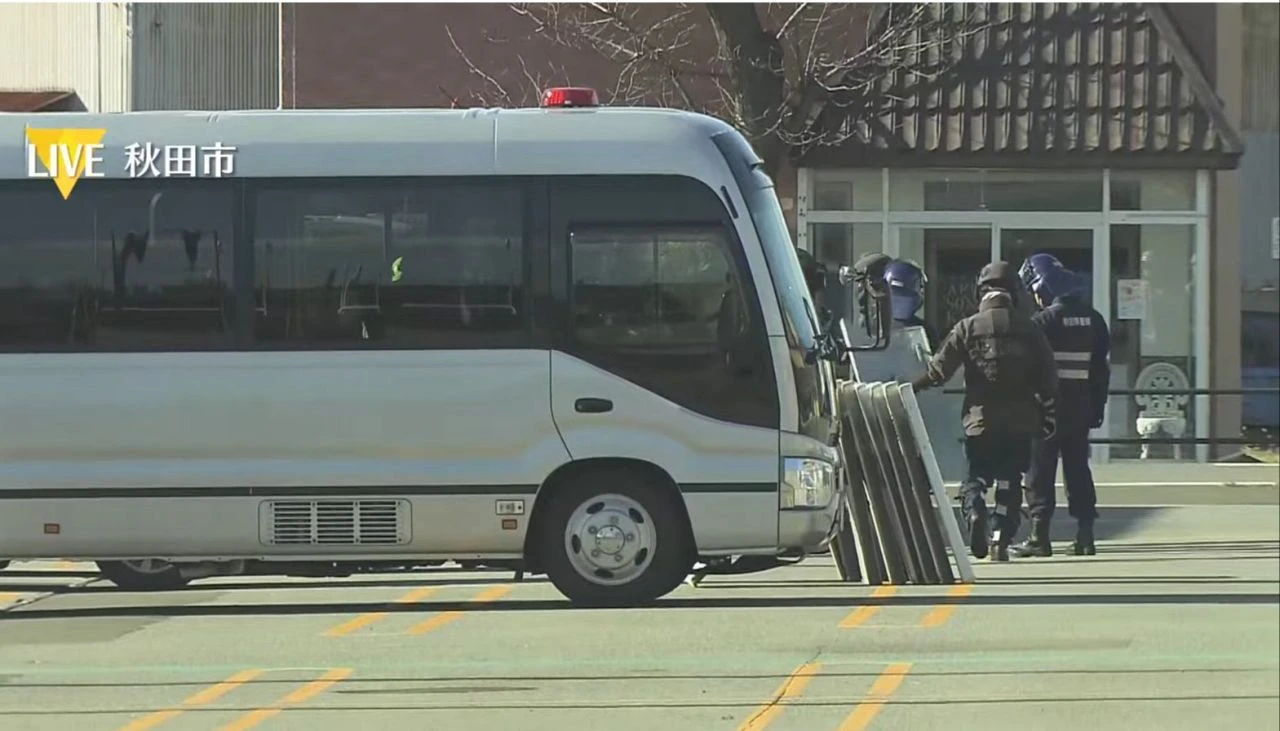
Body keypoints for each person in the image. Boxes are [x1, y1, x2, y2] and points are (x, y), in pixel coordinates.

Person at [909, 262, 1059, 561]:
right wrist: (1049, 413)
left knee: (975, 477)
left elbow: (939, 370)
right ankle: (1001, 537)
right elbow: (1048, 378)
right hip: (1019, 422)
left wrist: (910, 387)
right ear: (1014, 293)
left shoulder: (968, 327)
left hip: (981, 421)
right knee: (1009, 480)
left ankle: (975, 507)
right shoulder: (1030, 328)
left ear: (982, 291)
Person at [1013, 253, 1111, 557]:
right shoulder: (1094, 320)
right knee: (1078, 469)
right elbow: (1100, 371)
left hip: (1046, 410)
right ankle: (1085, 535)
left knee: (1040, 471)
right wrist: (1097, 408)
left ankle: (1039, 537)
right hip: (1081, 409)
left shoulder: (1041, 322)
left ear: (1043, 287)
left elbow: (1027, 371)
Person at [883, 258, 939, 351]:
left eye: (904, 296)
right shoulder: (874, 327)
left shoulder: (926, 331)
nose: (900, 303)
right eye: (895, 296)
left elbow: (935, 362)